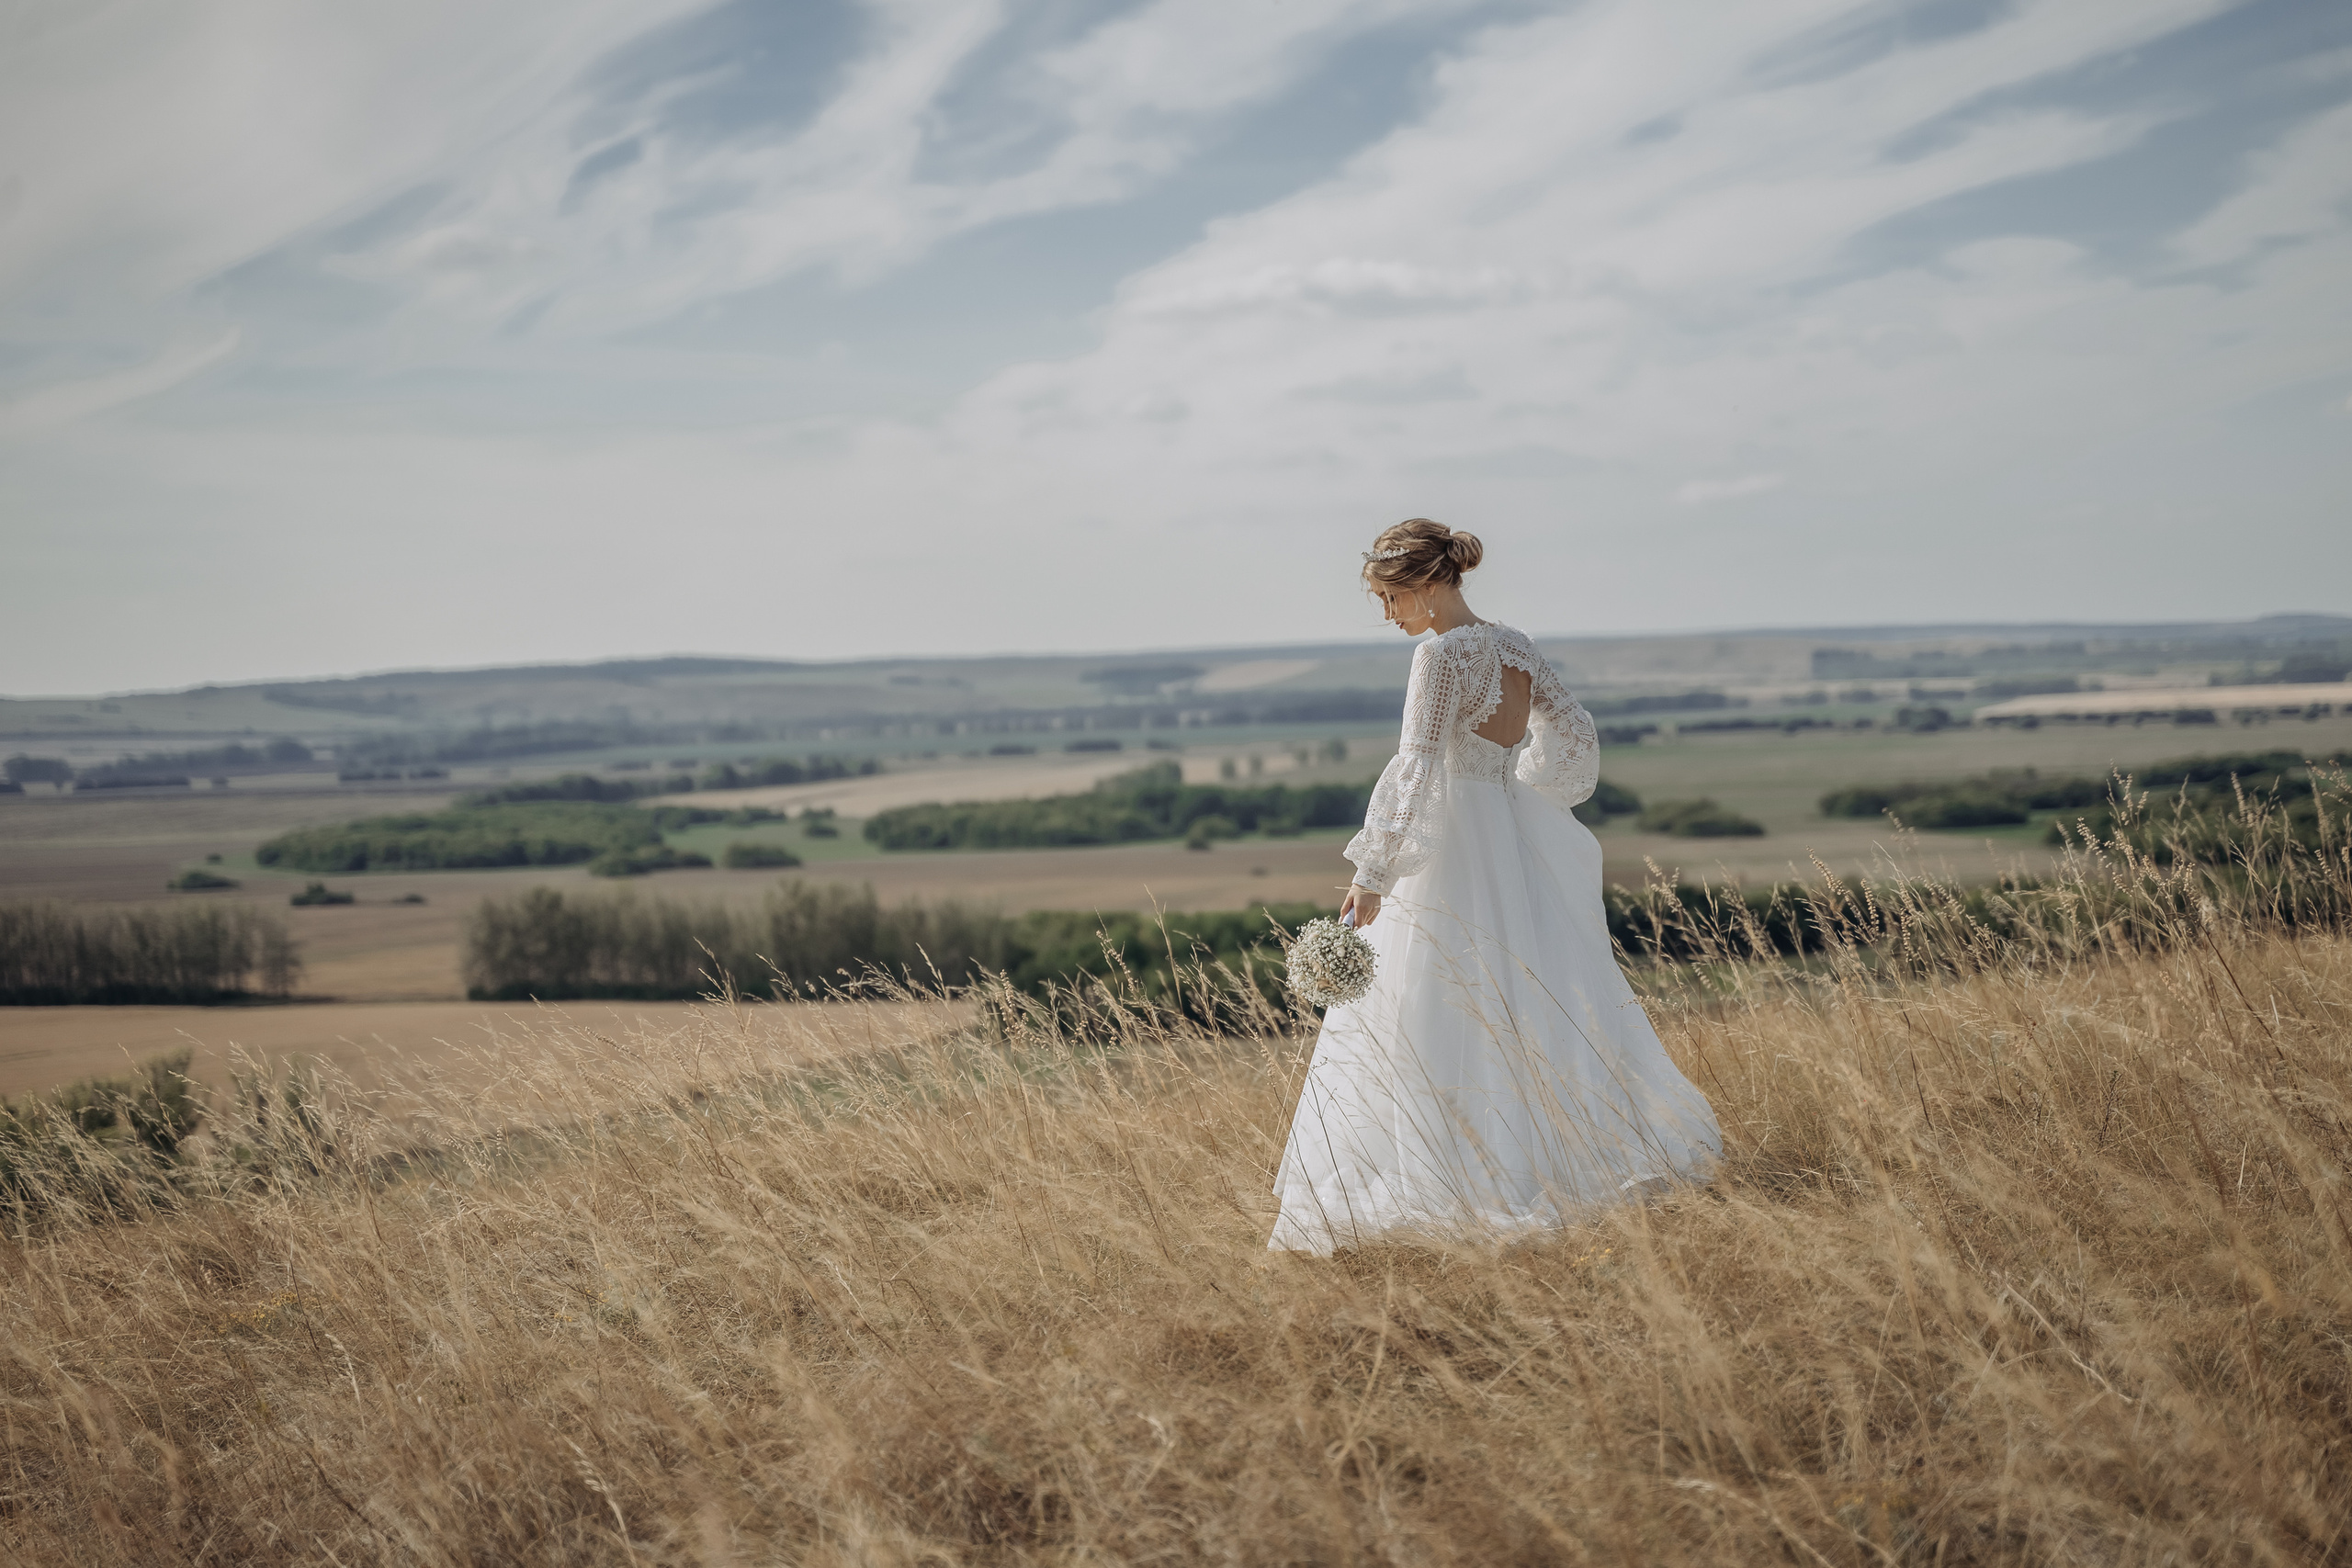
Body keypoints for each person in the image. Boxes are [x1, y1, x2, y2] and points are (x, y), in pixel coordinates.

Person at [1268, 519, 1721, 1253]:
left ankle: (1465, 1182)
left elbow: (1414, 765)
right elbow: (1573, 731)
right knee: (1523, 999)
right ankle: (1548, 1161)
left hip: (1452, 847)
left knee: (1430, 1005)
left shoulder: (1439, 656)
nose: (1388, 615)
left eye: (1389, 598)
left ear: (1423, 583)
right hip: (1509, 836)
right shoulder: (1516, 645)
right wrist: (1524, 791)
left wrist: (1373, 873)